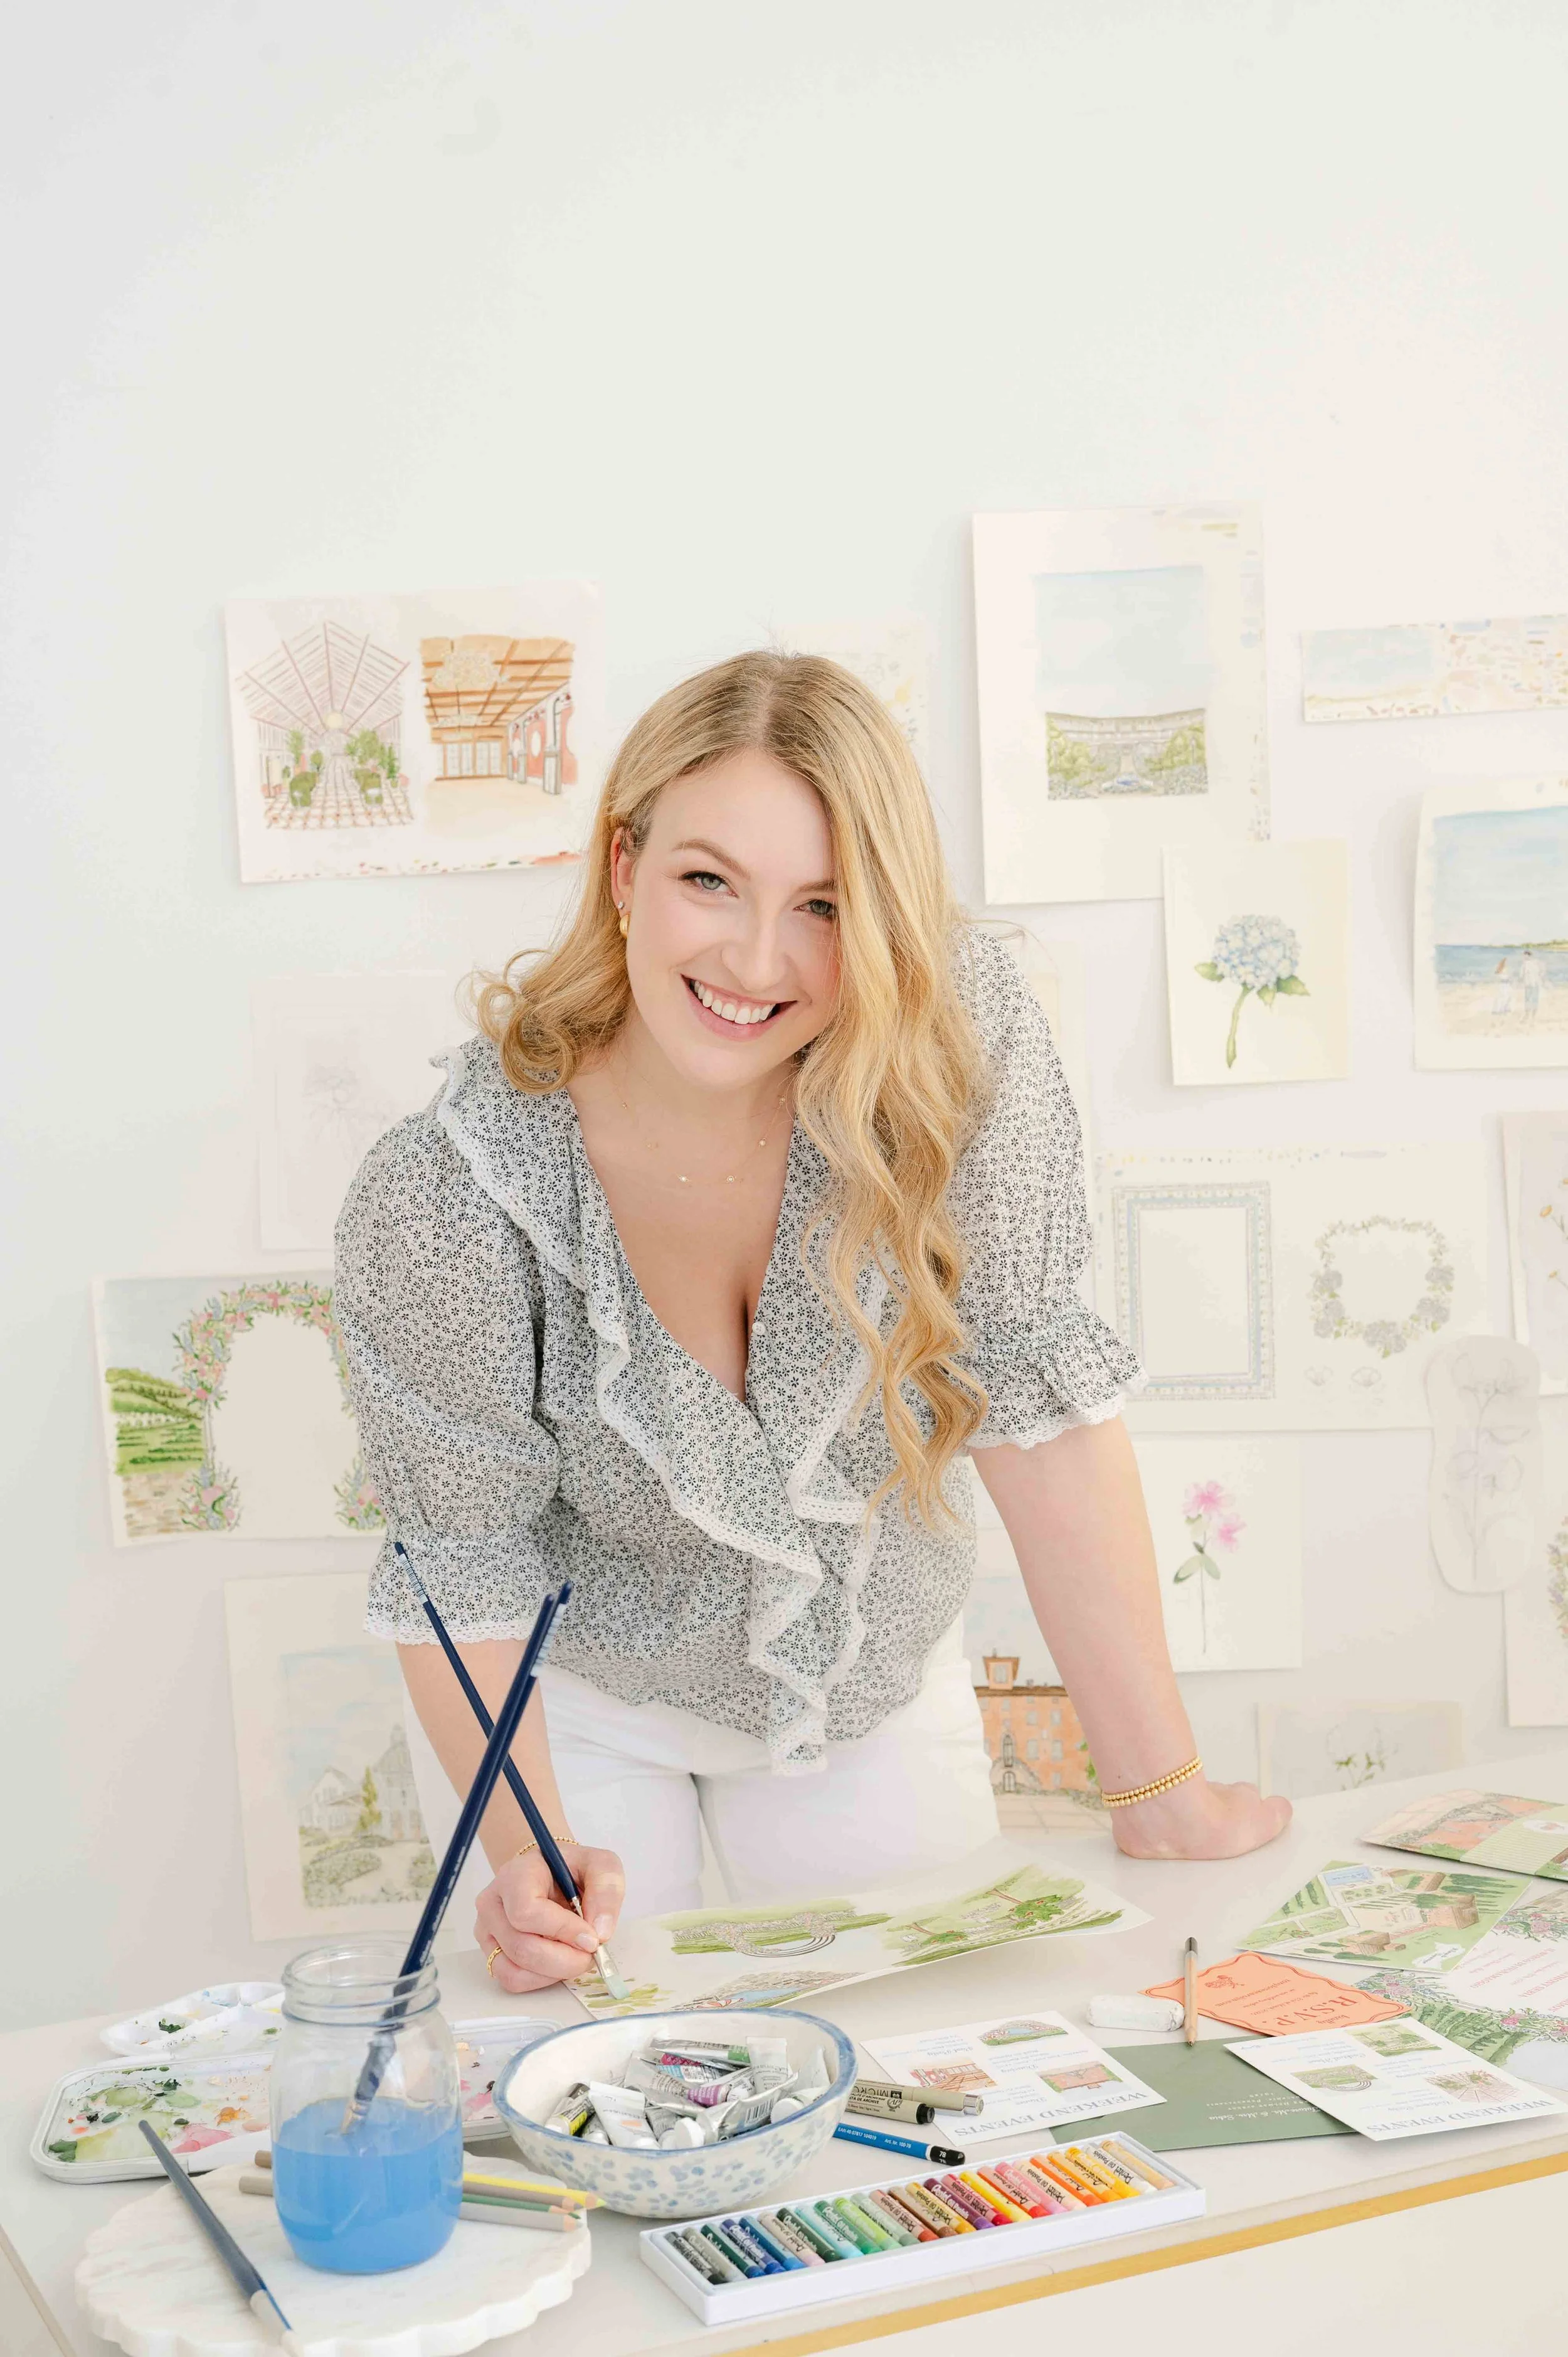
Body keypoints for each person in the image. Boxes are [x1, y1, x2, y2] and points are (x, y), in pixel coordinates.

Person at [334, 652, 1289, 1998]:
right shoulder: (449, 1190)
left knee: (935, 2080)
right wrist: (527, 1863)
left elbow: (1029, 1393)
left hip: (865, 1673)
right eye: (706, 881)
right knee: (591, 2074)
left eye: (824, 905)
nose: (753, 959)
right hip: (575, 1700)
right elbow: (461, 1560)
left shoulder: (955, 1049)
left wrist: (1158, 1789)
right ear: (623, 869)